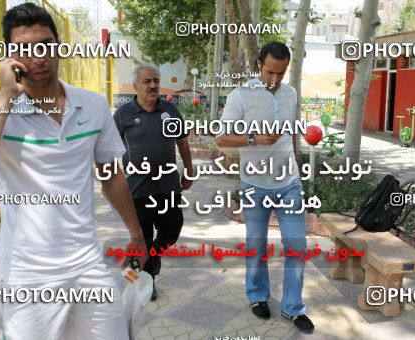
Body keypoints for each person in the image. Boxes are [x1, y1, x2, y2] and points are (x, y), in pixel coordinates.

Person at [0, 3, 147, 339]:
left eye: (44, 45)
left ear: (59, 47)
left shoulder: (92, 104)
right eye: (24, 50)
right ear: (9, 58)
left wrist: (136, 234)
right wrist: (5, 95)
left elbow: (112, 176)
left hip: (88, 263)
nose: (38, 57)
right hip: (27, 274)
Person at [215, 41, 314, 334]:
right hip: (254, 184)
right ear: (259, 64)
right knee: (256, 245)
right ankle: (258, 296)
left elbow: (291, 135)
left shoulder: (291, 93)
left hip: (289, 184)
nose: (275, 79)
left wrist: (296, 163)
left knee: (297, 245)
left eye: (281, 73)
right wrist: (254, 139)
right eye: (270, 71)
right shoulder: (240, 96)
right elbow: (221, 139)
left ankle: (293, 307)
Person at [113, 65, 193, 300]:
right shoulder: (123, 114)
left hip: (167, 187)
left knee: (172, 228)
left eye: (156, 80)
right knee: (144, 237)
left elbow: (182, 143)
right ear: (136, 86)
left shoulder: (169, 109)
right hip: (137, 190)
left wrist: (188, 171)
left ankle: (152, 257)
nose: (153, 85)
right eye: (147, 81)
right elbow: (107, 149)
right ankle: (147, 280)